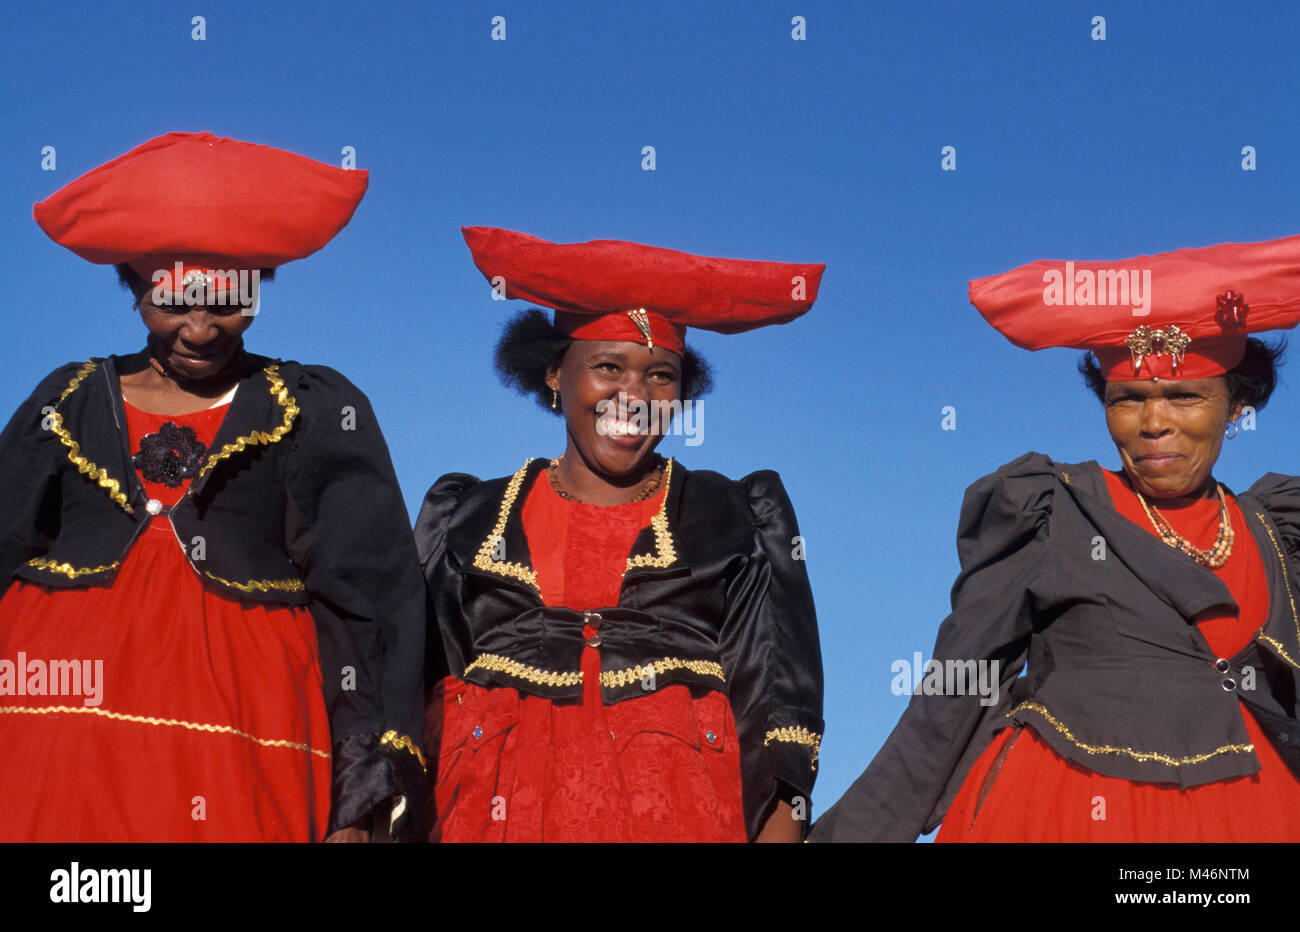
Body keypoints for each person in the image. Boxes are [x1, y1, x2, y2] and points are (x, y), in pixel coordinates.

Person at [0, 132, 426, 842]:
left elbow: (369, 596)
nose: (200, 328)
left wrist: (362, 791)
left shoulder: (310, 405)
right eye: (172, 303)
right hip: (51, 728)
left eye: (227, 303)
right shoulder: (66, 400)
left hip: (245, 731)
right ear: (134, 287)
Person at [812, 234, 1300, 842]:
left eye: (1185, 396)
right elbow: (956, 690)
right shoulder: (1051, 509)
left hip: (1254, 816)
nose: (1154, 423)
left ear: (1235, 406)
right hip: (1065, 811)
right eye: (1128, 400)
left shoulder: (1277, 530)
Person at [417, 226, 826, 842]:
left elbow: (775, 710)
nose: (633, 396)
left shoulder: (730, 517)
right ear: (556, 374)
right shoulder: (468, 517)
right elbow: (415, 690)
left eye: (661, 376)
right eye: (609, 367)